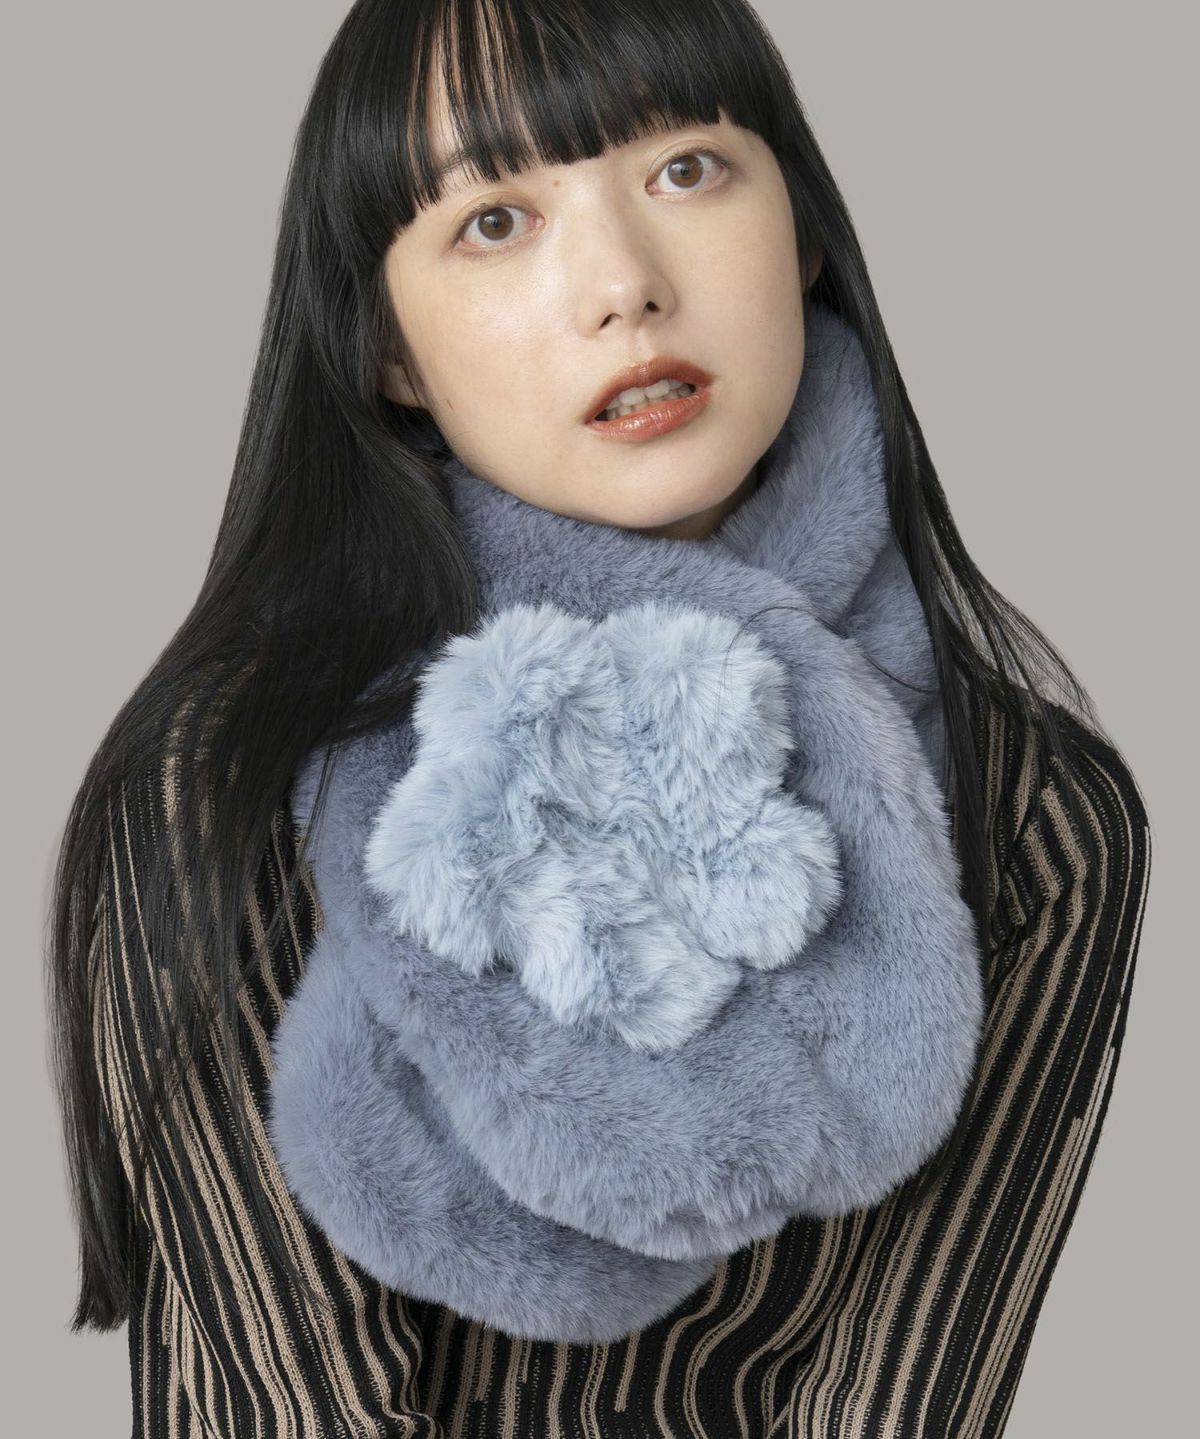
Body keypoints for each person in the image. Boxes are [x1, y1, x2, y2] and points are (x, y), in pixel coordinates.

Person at [47, 0, 1152, 1433]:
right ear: (391, 353)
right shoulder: (219, 783)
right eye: (495, 221)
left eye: (686, 169)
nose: (625, 284)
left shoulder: (1037, 814)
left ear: (803, 233)